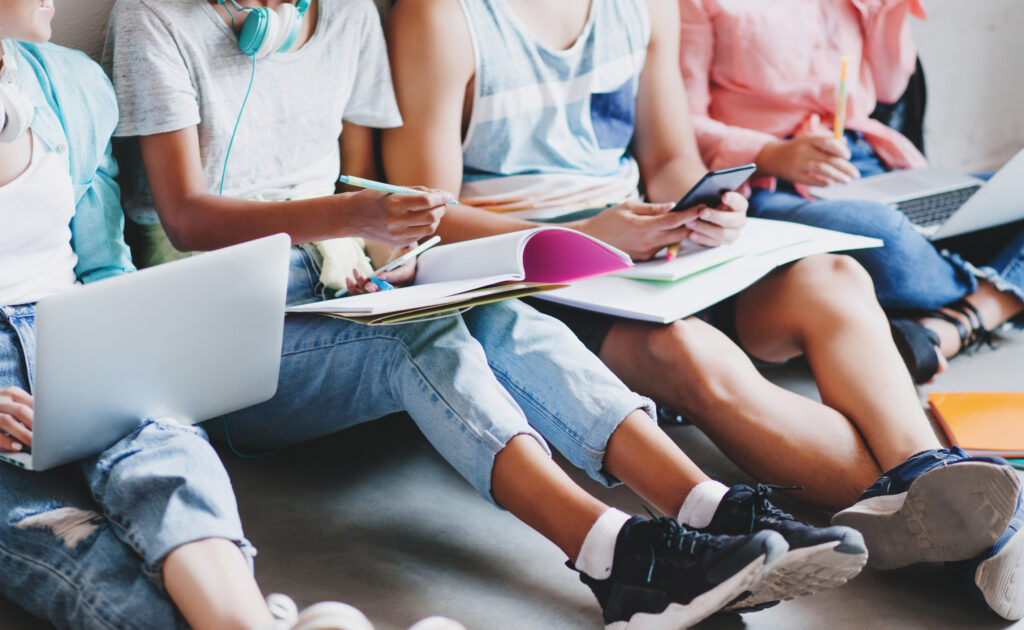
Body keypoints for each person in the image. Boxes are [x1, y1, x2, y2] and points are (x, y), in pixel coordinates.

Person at [103, 0, 877, 626]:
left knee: (500, 311)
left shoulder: (343, 15)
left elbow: (357, 178)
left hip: (344, 286)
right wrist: (354, 219)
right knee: (414, 341)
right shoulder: (153, 19)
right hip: (231, 334)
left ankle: (710, 509)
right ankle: (617, 557)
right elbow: (187, 220)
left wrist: (397, 238)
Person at [381, 0, 1024, 619]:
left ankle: (925, 473)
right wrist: (592, 238)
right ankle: (978, 544)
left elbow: (668, 160)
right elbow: (421, 219)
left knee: (833, 276)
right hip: (538, 274)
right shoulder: (440, 15)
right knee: (686, 348)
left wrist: (706, 209)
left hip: (642, 247)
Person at [0, 1, 409, 628]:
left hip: (80, 334)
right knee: (67, 537)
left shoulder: (69, 84)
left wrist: (146, 343)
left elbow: (104, 264)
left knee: (168, 461)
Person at [676, 0, 1024, 385]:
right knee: (885, 240)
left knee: (916, 229)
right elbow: (678, 123)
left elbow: (891, 87)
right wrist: (769, 153)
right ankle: (996, 290)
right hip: (773, 182)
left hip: (872, 163)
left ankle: (952, 326)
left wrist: (888, 9)